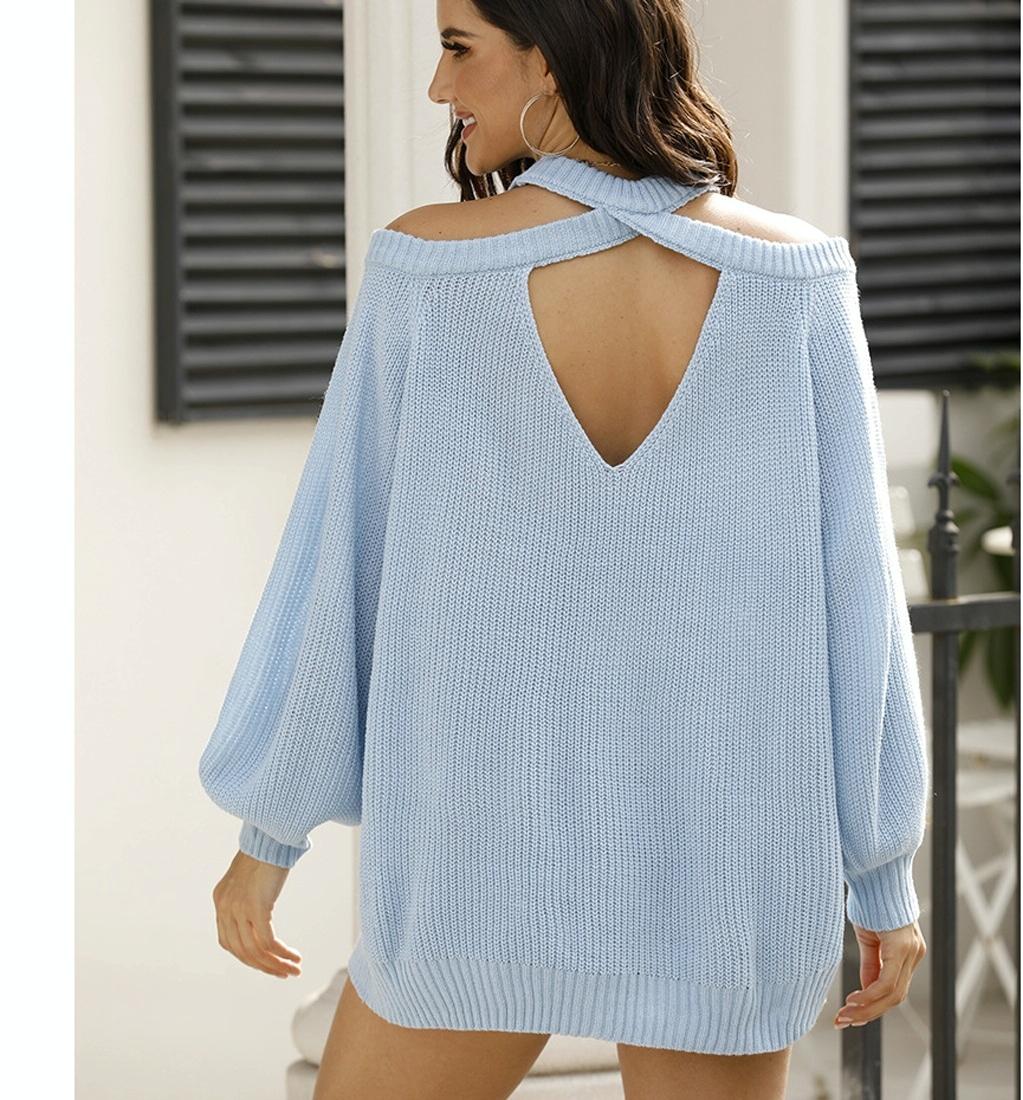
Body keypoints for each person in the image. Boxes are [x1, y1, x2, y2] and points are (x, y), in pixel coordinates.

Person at [198, 2, 929, 1098]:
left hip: (478, 865)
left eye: (457, 48)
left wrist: (271, 835)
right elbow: (857, 604)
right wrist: (881, 875)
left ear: (549, 57)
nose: (439, 88)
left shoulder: (427, 269)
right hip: (724, 875)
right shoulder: (797, 279)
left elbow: (338, 573)